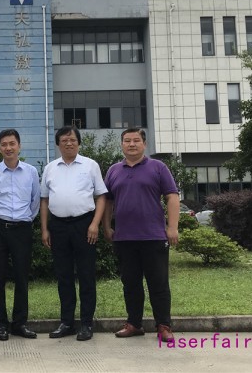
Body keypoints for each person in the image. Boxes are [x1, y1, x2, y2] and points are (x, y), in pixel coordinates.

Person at [102, 128, 179, 343]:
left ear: (144, 144)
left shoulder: (158, 167)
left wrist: (172, 227)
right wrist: (106, 226)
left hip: (153, 237)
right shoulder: (114, 170)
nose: (131, 144)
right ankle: (134, 324)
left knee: (158, 284)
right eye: (127, 140)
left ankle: (164, 326)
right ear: (122, 145)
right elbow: (107, 201)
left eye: (136, 140)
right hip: (124, 238)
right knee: (130, 284)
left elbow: (172, 196)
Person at [40, 126, 107, 342]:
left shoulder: (90, 165)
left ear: (79, 143)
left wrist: (95, 224)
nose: (69, 143)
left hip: (84, 224)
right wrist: (44, 228)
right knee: (64, 276)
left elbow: (101, 196)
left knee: (86, 275)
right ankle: (67, 322)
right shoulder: (50, 168)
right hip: (58, 226)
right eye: (64, 140)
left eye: (72, 140)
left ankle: (86, 323)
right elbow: (44, 200)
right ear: (58, 144)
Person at [0, 129, 40, 341]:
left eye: (12, 143)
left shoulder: (31, 172)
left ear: (19, 146)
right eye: (4, 144)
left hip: (22, 228)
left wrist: (25, 220)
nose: (8, 148)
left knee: (21, 277)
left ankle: (19, 324)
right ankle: (0, 324)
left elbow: (35, 201)